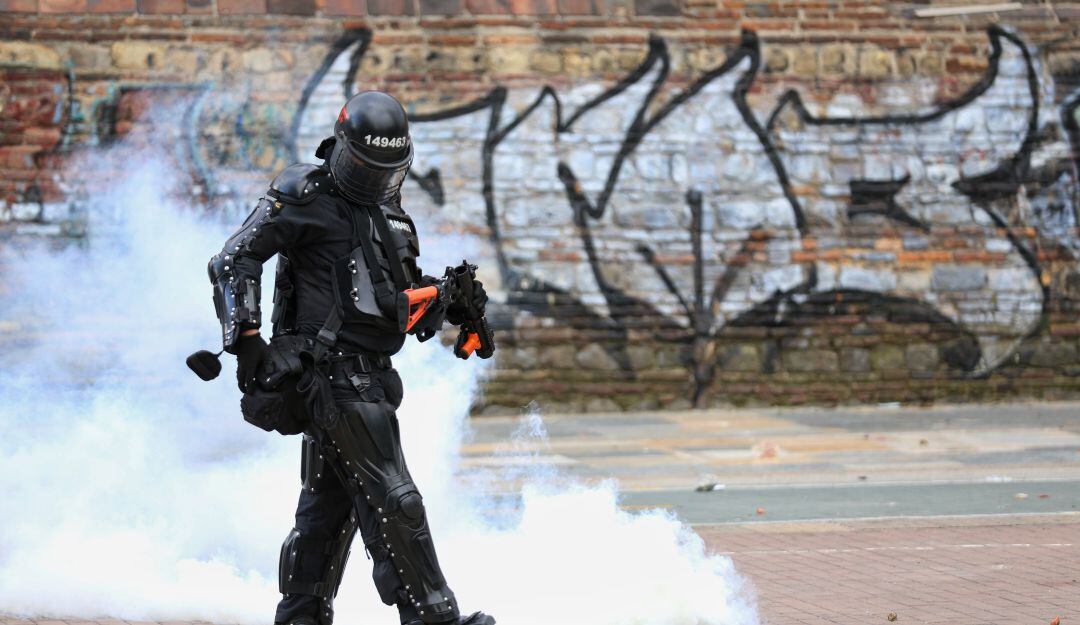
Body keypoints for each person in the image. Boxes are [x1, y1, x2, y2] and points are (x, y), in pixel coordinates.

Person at [206, 90, 494, 625]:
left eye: (385, 171)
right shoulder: (304, 192)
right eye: (363, 166)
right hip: (331, 377)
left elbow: (388, 305)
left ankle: (300, 614)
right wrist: (245, 342)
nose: (372, 180)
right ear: (340, 146)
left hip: (370, 376)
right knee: (394, 498)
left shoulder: (391, 211)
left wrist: (450, 301)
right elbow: (232, 260)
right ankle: (435, 618)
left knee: (327, 512)